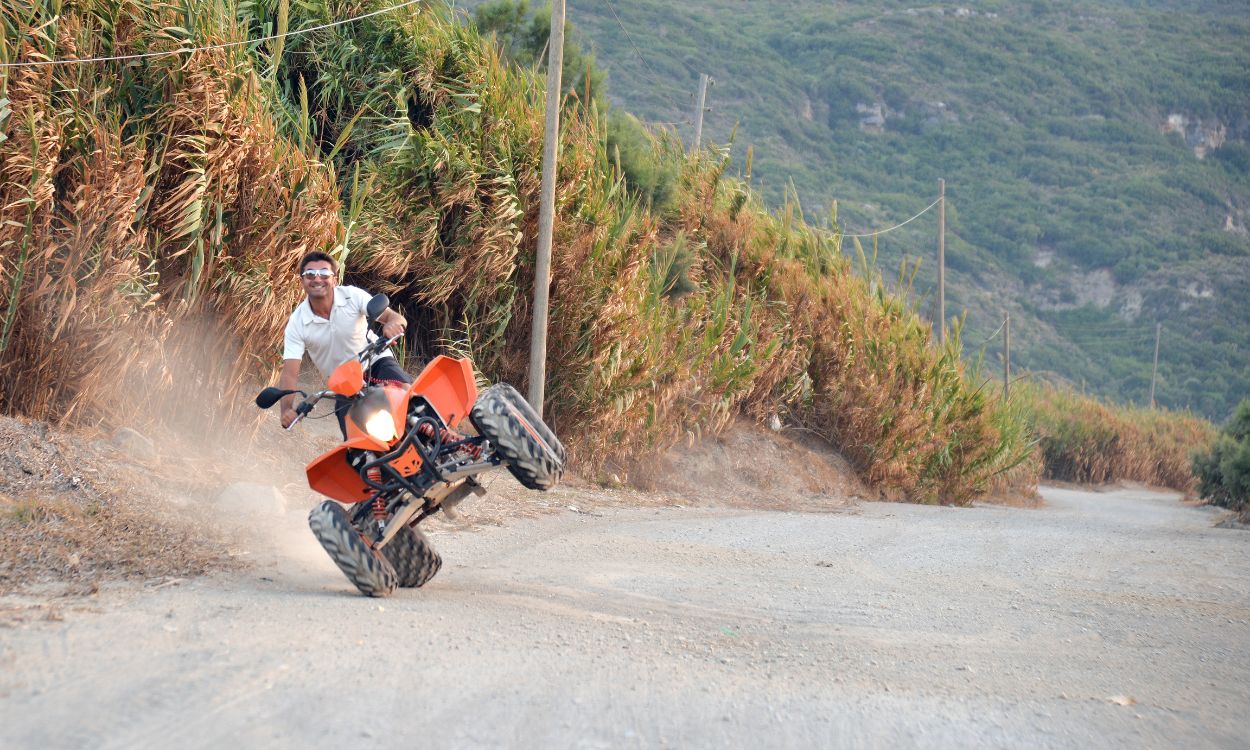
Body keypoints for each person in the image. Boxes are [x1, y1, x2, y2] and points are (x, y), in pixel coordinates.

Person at [277, 250, 412, 436]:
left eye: (324, 273)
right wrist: (286, 409)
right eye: (310, 274)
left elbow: (395, 317)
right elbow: (290, 374)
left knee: (408, 394)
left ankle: (448, 434)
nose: (317, 279)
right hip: (344, 384)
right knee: (353, 440)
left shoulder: (352, 296)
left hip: (375, 361)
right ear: (302, 281)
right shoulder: (297, 323)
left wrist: (392, 325)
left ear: (334, 279)